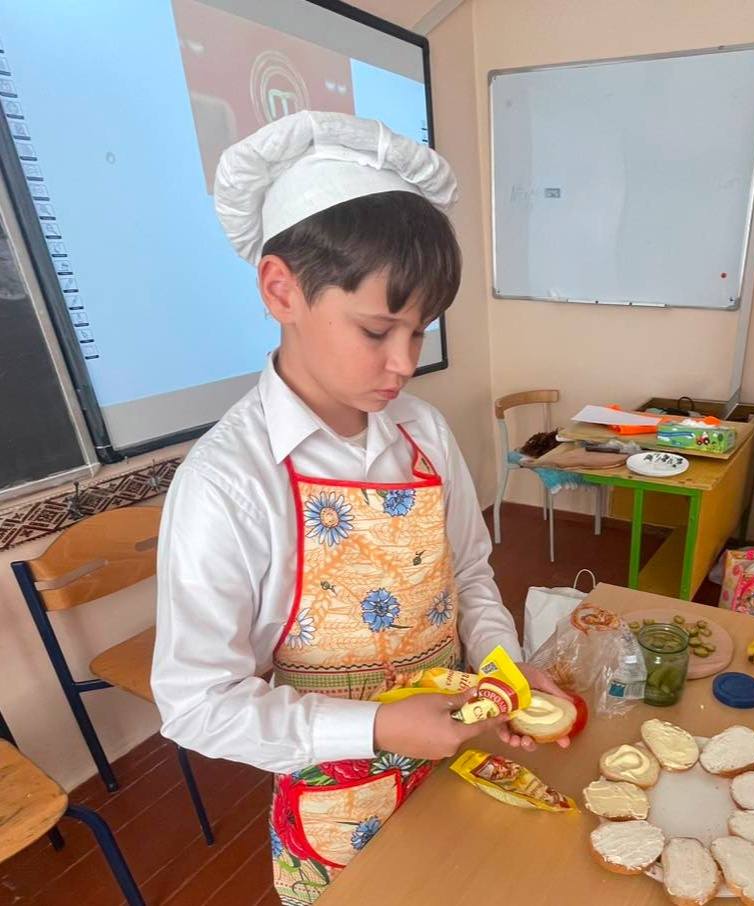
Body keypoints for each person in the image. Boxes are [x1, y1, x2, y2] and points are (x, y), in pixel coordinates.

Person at [151, 111, 567, 904]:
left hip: (458, 764)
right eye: (378, 330)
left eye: (420, 332)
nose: (404, 364)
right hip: (337, 813)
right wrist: (377, 727)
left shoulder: (423, 432)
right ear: (282, 289)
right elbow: (198, 704)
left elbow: (469, 573)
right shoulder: (229, 483)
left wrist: (499, 667)